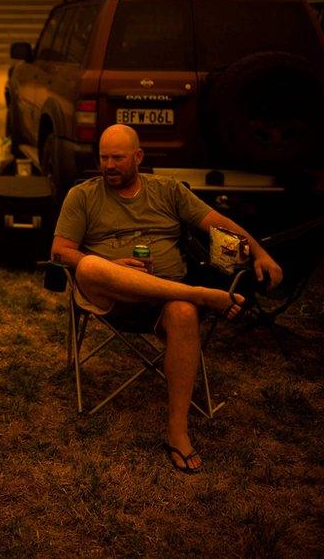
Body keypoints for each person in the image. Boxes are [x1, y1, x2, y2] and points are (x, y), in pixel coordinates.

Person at [51, 124, 283, 473]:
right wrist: (113, 266)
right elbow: (60, 251)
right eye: (103, 157)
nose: (109, 165)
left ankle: (178, 432)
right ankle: (200, 295)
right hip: (111, 299)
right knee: (89, 267)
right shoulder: (83, 196)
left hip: (163, 301)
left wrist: (260, 253)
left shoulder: (168, 191)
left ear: (138, 157)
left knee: (184, 314)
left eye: (118, 157)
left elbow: (218, 223)